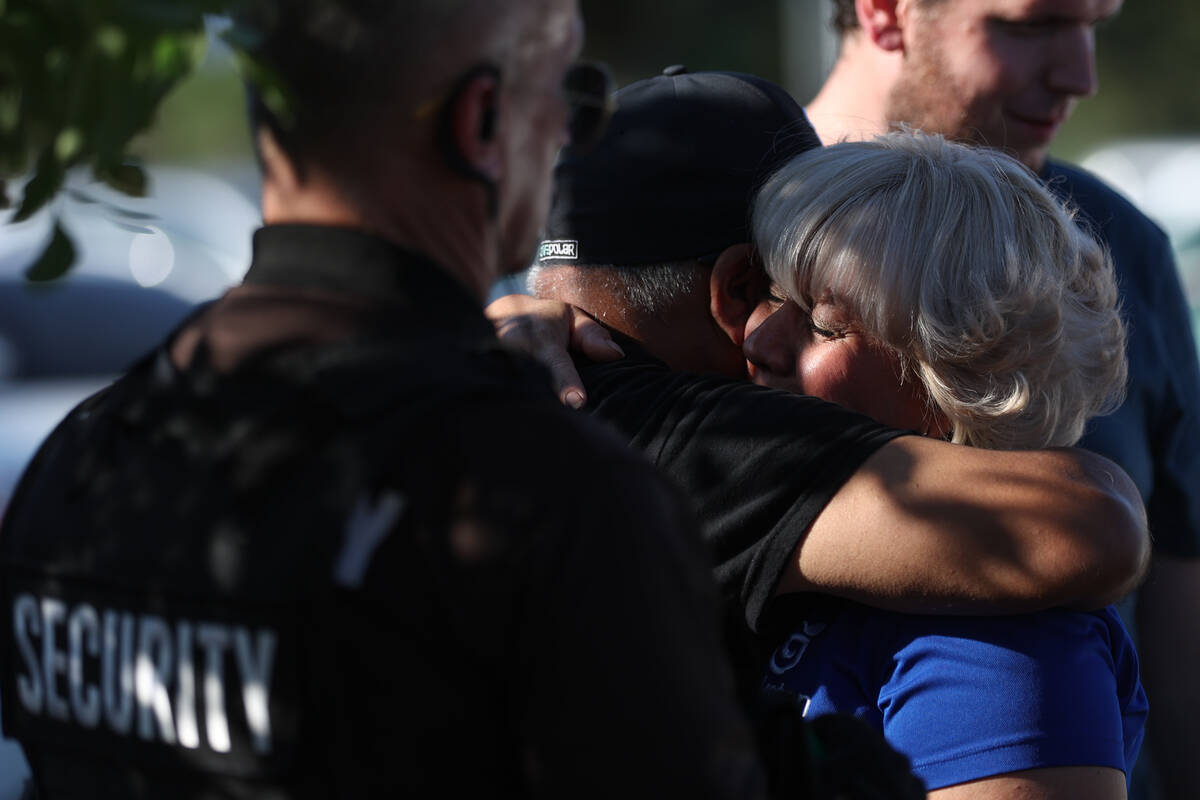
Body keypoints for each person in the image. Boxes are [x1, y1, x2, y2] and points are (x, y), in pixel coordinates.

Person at [0, 3, 776, 797]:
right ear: (482, 123)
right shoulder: (537, 499)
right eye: (571, 97)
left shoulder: (81, 464)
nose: (570, 140)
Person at [492, 67, 1147, 694]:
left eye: (821, 318)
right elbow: (1091, 524)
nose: (762, 337)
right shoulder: (664, 438)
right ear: (738, 285)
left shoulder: (480, 376)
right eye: (779, 295)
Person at [810, 4, 1200, 795]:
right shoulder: (695, 221)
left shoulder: (1118, 246)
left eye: (1095, 22)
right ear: (885, 12)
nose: (1080, 75)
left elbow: (1179, 635)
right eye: (1030, 24)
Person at [751, 131, 1146, 798]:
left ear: (959, 379)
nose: (759, 339)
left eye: (821, 324)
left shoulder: (1004, 643)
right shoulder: (800, 537)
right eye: (764, 292)